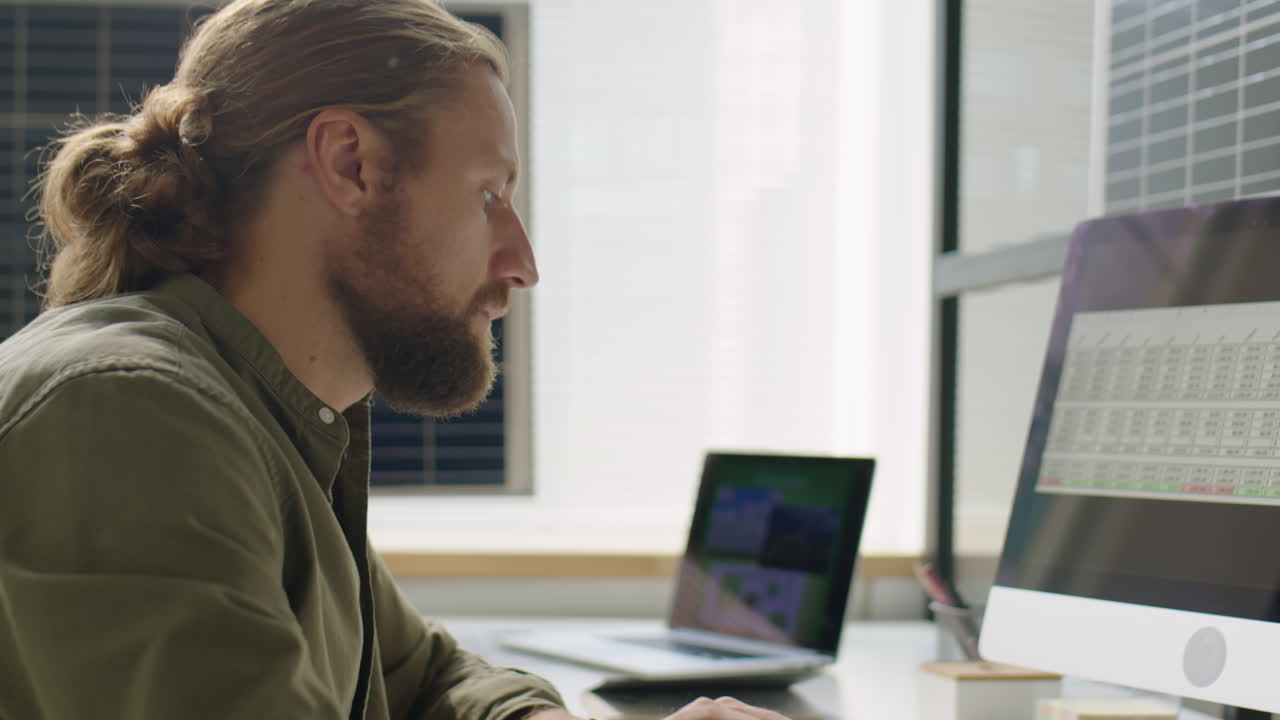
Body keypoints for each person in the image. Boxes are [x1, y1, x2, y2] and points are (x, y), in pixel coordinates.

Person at [0, 1, 797, 719]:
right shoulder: (130, 414)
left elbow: (430, 678)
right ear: (351, 163)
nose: (522, 263)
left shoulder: (267, 416)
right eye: (489, 194)